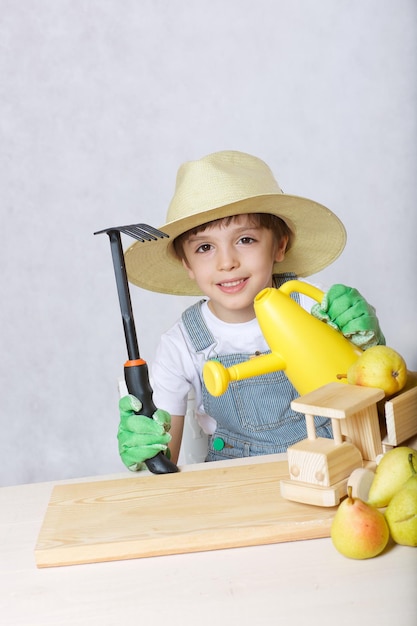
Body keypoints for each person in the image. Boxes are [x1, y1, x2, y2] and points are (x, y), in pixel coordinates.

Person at [117, 150, 385, 470]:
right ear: (186, 263)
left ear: (280, 245)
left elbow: (378, 406)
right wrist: (146, 451)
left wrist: (368, 344)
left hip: (332, 465)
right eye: (205, 247)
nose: (227, 262)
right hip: (233, 480)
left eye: (245, 239)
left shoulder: (317, 309)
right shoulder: (181, 345)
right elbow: (165, 464)